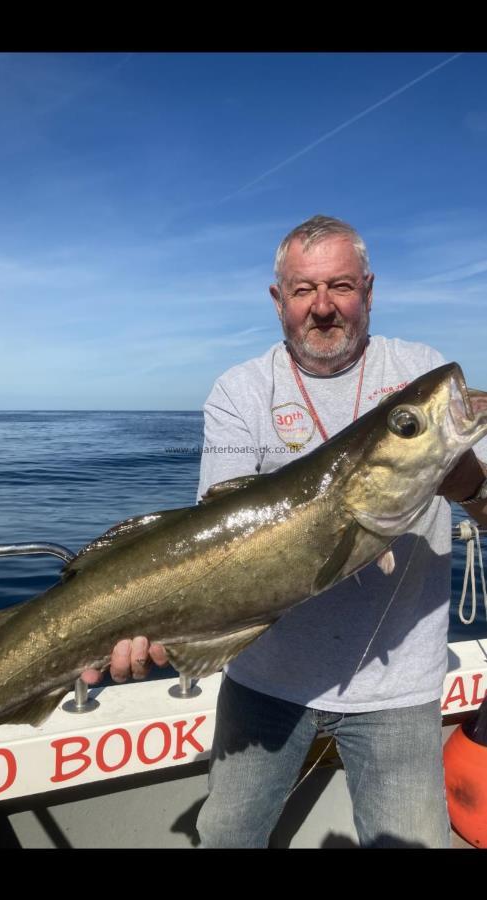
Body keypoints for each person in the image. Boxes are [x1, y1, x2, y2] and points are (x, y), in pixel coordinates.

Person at [83, 215, 487, 848]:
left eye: (341, 286)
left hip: (399, 693)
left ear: (370, 291)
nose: (322, 307)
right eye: (303, 290)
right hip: (263, 680)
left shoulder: (422, 369)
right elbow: (217, 546)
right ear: (279, 300)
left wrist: (467, 484)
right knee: (227, 839)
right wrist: (145, 625)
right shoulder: (240, 390)